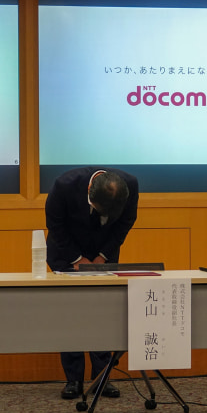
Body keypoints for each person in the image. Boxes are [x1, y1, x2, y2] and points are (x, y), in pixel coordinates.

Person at [45, 167, 139, 400]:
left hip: (103, 254)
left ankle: (101, 378)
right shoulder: (64, 185)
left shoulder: (130, 185)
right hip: (66, 253)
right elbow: (56, 227)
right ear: (89, 191)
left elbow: (126, 222)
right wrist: (78, 260)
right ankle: (73, 379)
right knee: (70, 313)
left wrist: (102, 257)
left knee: (102, 312)